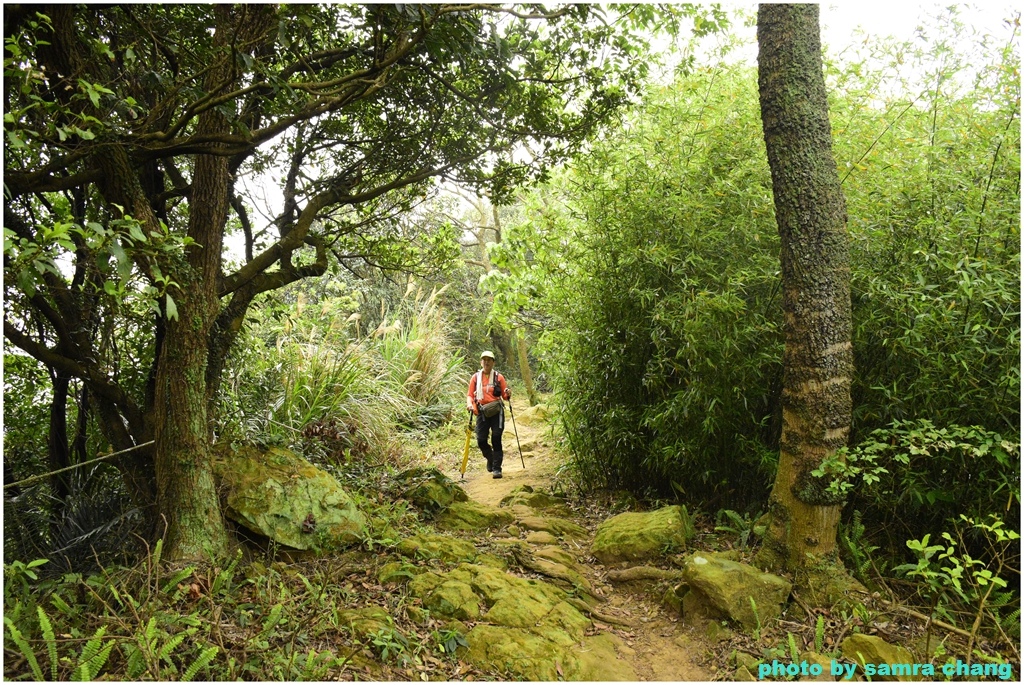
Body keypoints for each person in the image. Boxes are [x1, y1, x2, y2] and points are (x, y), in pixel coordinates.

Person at [466, 350, 511, 478]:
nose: (486, 362)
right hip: (481, 411)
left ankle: (497, 468)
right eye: (484, 360)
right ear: (481, 362)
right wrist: (470, 404)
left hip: (497, 411)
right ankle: (490, 458)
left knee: (496, 437)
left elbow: (505, 396)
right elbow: (470, 395)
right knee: (481, 440)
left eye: (489, 360)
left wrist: (508, 393)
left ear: (493, 362)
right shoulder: (475, 378)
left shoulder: (499, 377)